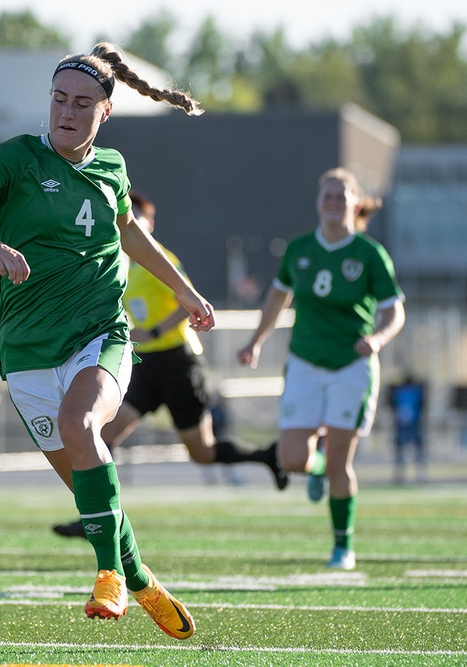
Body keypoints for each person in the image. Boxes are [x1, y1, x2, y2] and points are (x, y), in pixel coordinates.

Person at [0, 43, 212, 640]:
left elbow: (129, 233)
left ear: (105, 111)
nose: (67, 112)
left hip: (99, 334)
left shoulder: (112, 168)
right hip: (28, 355)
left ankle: (107, 571)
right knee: (90, 487)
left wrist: (184, 292)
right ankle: (139, 577)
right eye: (59, 100)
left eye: (83, 103)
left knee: (84, 428)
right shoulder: (14, 161)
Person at [52, 193, 287, 538]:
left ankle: (269, 456)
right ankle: (96, 514)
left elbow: (187, 296)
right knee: (103, 434)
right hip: (145, 366)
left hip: (179, 362)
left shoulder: (158, 259)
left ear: (147, 225)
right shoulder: (118, 262)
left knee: (202, 452)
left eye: (135, 220)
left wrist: (158, 329)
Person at [237, 167, 406, 571]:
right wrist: (256, 340)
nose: (333, 202)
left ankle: (342, 547)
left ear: (356, 204)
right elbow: (277, 300)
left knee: (340, 465)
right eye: (327, 196)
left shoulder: (369, 253)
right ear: (318, 203)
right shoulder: (298, 250)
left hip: (352, 365)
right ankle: (316, 469)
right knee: (292, 458)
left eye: (341, 196)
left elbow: (394, 312)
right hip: (304, 363)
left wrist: (377, 340)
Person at [389, 374, 426, 484]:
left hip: (403, 424)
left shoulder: (399, 392)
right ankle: (420, 475)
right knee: (417, 451)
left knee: (401, 452)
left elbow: (393, 405)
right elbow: (422, 405)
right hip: (414, 423)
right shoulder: (416, 391)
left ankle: (400, 475)